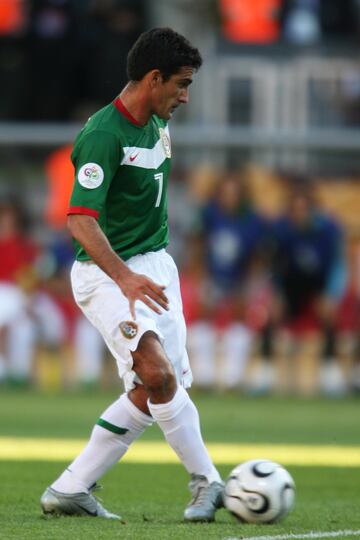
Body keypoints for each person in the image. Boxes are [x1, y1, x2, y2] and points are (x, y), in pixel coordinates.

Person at [40, 27, 224, 523]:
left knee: (154, 391)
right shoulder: (104, 134)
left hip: (155, 267)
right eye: (181, 85)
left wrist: (146, 269)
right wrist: (123, 277)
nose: (185, 97)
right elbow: (79, 219)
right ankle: (208, 481)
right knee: (159, 374)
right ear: (154, 78)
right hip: (107, 273)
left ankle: (71, 487)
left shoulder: (157, 122)